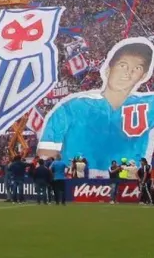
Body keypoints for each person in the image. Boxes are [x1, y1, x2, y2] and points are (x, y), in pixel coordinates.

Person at [38, 39, 154, 173]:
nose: (128, 72)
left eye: (137, 68)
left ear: (143, 76)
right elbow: (46, 154)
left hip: (127, 184)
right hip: (79, 184)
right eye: (123, 65)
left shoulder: (149, 104)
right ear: (108, 69)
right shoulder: (71, 108)